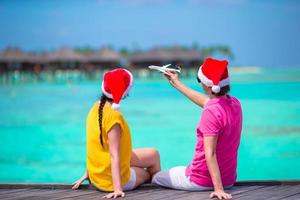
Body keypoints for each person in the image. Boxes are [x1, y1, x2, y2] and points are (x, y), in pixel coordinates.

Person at [152, 58, 242, 200]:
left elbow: (210, 153)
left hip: (201, 180)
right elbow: (206, 101)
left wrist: (218, 189)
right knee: (180, 169)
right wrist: (175, 82)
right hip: (228, 180)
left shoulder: (211, 112)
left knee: (156, 177)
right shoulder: (235, 104)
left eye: (199, 80)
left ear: (207, 85)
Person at [72, 68, 161, 199]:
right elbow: (114, 155)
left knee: (154, 154)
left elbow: (94, 145)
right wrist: (118, 189)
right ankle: (157, 192)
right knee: (146, 173)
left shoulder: (94, 109)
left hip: (98, 175)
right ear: (124, 93)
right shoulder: (114, 118)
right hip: (109, 182)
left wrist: (88, 172)